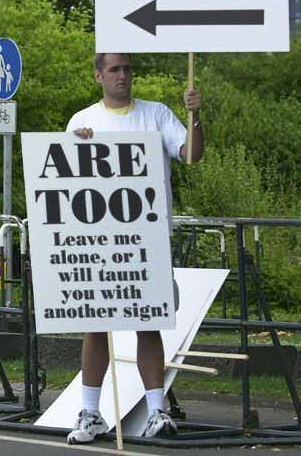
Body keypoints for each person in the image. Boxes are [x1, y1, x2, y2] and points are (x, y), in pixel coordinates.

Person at [66, 53, 203, 444]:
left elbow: (191, 155)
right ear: (99, 76)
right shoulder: (82, 121)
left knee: (148, 322)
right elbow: (65, 180)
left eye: (127, 68)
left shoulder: (156, 114)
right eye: (114, 69)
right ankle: (91, 413)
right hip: (98, 240)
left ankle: (156, 410)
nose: (122, 75)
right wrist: (77, 147)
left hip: (147, 239)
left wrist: (195, 116)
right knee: (97, 324)